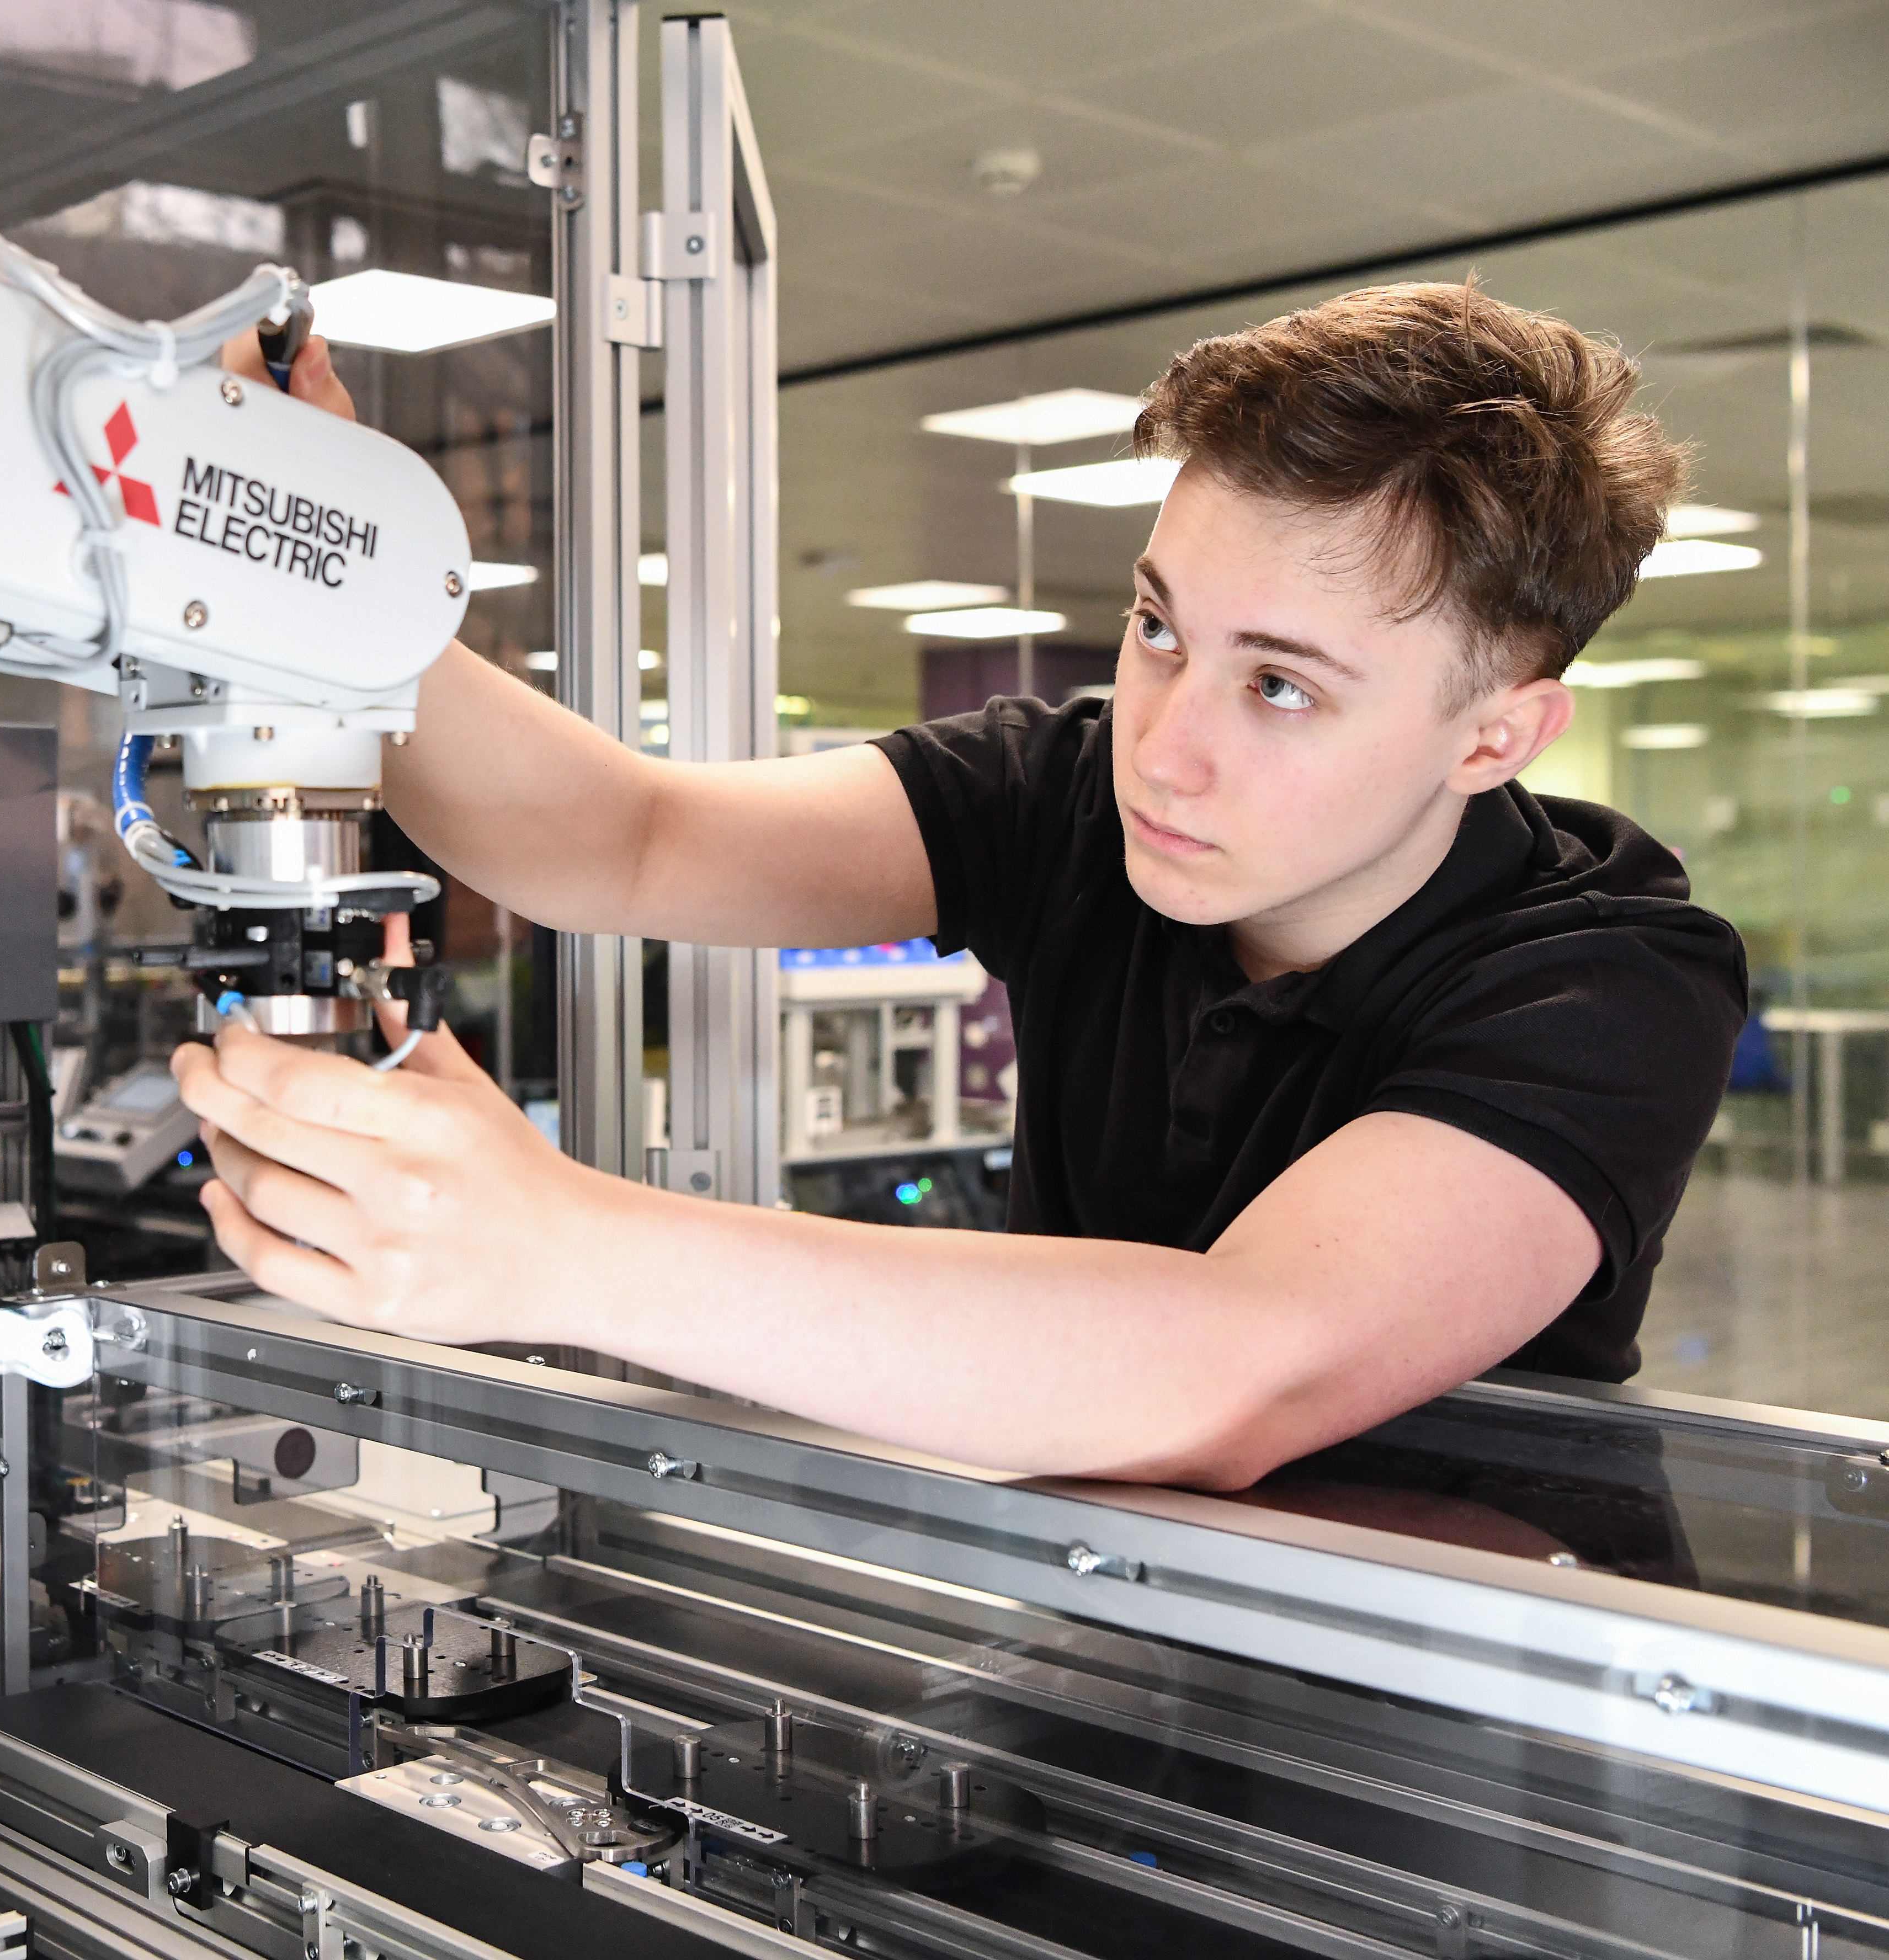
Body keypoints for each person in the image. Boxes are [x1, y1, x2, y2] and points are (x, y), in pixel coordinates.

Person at [174, 285, 1744, 1493]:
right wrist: (328, 569)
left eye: (1281, 689)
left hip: (1450, 1773)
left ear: (1498, 736)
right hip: (1097, 1642)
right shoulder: (1069, 798)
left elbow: (1240, 1370)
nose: (1164, 750)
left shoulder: (1610, 979)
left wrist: (556, 1243)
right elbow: (625, 839)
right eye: (1159, 628)